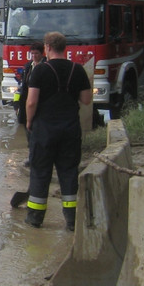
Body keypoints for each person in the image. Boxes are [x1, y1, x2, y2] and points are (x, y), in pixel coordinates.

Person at [24, 31, 94, 230]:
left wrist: (29, 122)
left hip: (44, 130)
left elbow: (31, 102)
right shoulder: (77, 70)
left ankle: (35, 218)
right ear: (65, 48)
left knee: (40, 171)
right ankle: (72, 220)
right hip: (70, 129)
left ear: (47, 47)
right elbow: (86, 100)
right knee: (69, 171)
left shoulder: (40, 70)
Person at [14, 42, 45, 166]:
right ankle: (32, 156)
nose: (34, 56)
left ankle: (42, 156)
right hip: (26, 103)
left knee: (41, 131)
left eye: (36, 53)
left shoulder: (46, 66)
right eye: (32, 54)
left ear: (42, 53)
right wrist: (16, 104)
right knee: (28, 130)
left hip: (41, 104)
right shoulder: (28, 66)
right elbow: (22, 87)